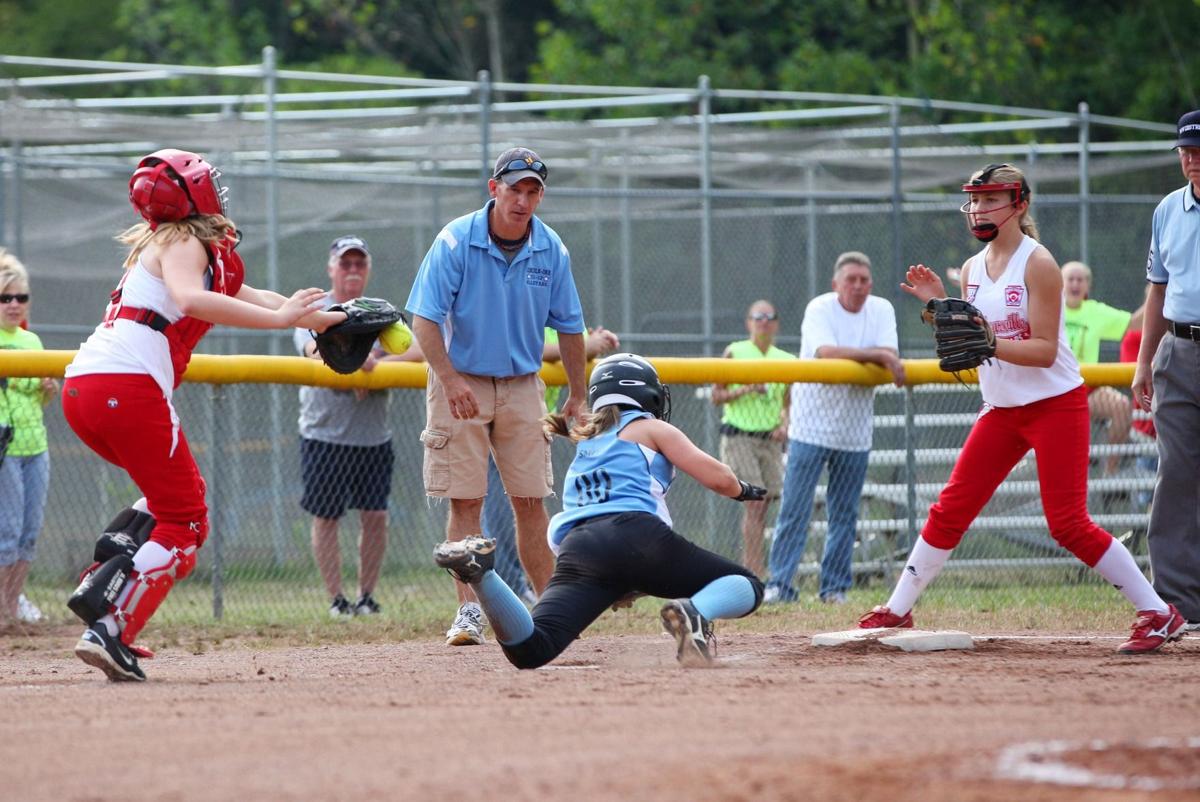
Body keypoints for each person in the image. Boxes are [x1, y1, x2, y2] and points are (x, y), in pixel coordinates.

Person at [859, 162, 1185, 654]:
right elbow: (968, 332)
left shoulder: (1039, 264)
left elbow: (1044, 350)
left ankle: (1159, 612)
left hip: (1054, 404)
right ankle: (898, 608)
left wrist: (987, 340)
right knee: (951, 509)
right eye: (976, 199)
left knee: (1068, 523)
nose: (980, 208)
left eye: (992, 199)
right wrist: (939, 305)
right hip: (1002, 408)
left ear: (1020, 204)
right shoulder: (970, 269)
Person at [62, 149, 344, 681]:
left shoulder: (181, 244)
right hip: (126, 387)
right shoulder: (183, 240)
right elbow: (192, 301)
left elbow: (250, 295)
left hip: (88, 390)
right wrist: (283, 318)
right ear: (192, 194)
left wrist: (321, 320)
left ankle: (107, 575)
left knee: (166, 500)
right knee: (187, 518)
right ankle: (111, 625)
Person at [432, 353, 766, 668]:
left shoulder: (587, 441)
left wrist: (620, 581)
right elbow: (719, 480)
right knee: (747, 584)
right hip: (639, 535)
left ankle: (482, 574)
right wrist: (744, 490)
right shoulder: (650, 427)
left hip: (580, 549)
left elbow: (593, 541)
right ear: (647, 395)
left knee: (531, 649)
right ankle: (696, 613)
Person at [406, 146, 587, 646]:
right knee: (466, 499)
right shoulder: (456, 240)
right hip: (458, 377)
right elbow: (422, 319)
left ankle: (554, 614)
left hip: (522, 383)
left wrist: (577, 394)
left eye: (533, 192)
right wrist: (450, 380)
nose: (523, 201)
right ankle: (469, 614)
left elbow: (571, 327)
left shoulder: (551, 249)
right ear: (494, 189)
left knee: (531, 499)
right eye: (514, 190)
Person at [763, 253, 904, 605]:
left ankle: (834, 589)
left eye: (864, 280)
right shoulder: (820, 308)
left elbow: (891, 350)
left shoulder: (882, 309)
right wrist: (880, 357)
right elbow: (826, 353)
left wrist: (882, 356)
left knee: (845, 513)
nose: (858, 286)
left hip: (854, 432)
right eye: (851, 280)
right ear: (836, 284)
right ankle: (780, 585)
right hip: (810, 426)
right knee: (795, 508)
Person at [294, 235, 423, 618]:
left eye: (359, 263)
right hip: (325, 434)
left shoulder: (377, 312)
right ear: (331, 268)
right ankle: (337, 600)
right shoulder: (316, 309)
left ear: (367, 269)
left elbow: (418, 349)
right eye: (344, 263)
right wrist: (353, 362)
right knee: (327, 517)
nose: (352, 269)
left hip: (372, 437)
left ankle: (366, 597)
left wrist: (373, 365)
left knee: (376, 517)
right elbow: (311, 351)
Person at [483, 325, 620, 603]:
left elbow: (576, 344)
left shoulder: (561, 318)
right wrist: (586, 346)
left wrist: (590, 343)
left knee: (530, 508)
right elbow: (523, 348)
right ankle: (510, 588)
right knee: (496, 516)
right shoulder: (518, 303)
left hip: (529, 424)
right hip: (493, 420)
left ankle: (538, 593)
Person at [1132, 109, 1200, 632]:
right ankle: (1177, 603)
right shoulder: (1167, 210)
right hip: (1178, 352)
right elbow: (1157, 290)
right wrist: (1143, 364)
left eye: (1199, 151)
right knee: (1175, 474)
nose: (1193, 160)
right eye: (1186, 151)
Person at [711, 300, 792, 576]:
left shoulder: (786, 360)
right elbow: (717, 396)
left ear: (777, 323)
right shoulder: (735, 352)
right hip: (739, 435)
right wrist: (746, 389)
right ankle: (754, 570)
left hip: (770, 439)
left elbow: (788, 404)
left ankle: (757, 567)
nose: (764, 321)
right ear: (748, 322)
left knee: (766, 503)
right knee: (755, 501)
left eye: (770, 316)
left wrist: (785, 425)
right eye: (758, 316)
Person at [0, 250, 57, 627]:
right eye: (6, 298)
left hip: (35, 445)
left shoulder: (32, 341)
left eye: (21, 297)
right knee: (6, 532)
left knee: (29, 533)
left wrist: (47, 389)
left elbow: (38, 398)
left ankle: (14, 602)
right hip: (5, 446)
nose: (15, 305)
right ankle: (2, 610)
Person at [1061, 260, 1135, 475]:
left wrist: (1157, 297)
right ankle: (1072, 462)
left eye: (1080, 279)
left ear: (1087, 286)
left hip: (1087, 388)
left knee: (1121, 406)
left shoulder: (1095, 311)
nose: (1075, 284)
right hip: (1055, 389)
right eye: (1070, 279)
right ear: (1061, 284)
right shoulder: (1050, 308)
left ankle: (1109, 471)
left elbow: (1133, 322)